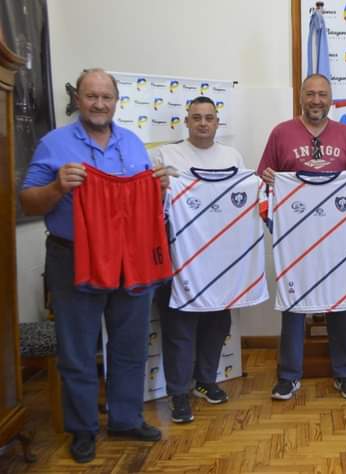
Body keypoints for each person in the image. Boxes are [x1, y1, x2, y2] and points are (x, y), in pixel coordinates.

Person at [19, 69, 171, 463]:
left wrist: (157, 189)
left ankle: (125, 419)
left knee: (130, 343)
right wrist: (57, 187)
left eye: (106, 97)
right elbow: (27, 202)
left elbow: (143, 206)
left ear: (116, 101)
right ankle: (83, 429)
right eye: (91, 96)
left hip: (129, 259)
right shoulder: (54, 143)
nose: (99, 104)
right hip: (72, 256)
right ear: (78, 100)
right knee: (77, 349)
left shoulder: (133, 143)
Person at [257, 73, 346, 400]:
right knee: (293, 302)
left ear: (330, 99)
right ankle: (288, 375)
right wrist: (269, 181)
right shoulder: (281, 132)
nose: (316, 100)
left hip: (339, 234)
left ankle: (345, 373)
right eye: (310, 94)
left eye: (322, 94)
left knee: (342, 299)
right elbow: (262, 179)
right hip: (296, 234)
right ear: (301, 97)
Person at [152, 96, 246, 424]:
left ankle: (206, 380)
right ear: (186, 121)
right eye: (196, 117)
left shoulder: (232, 157)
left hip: (220, 258)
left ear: (217, 122)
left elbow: (240, 202)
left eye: (209, 117)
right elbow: (151, 204)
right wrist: (160, 187)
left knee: (217, 323)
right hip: (179, 257)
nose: (203, 123)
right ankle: (178, 392)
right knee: (179, 326)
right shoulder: (165, 156)